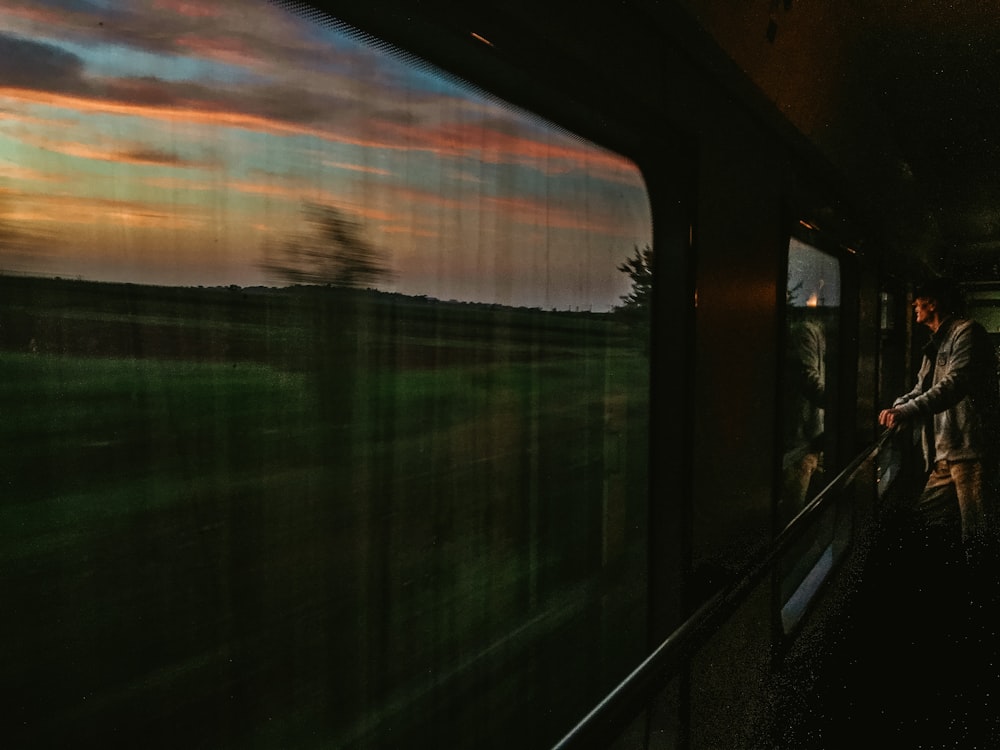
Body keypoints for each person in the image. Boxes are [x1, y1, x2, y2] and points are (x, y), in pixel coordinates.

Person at [878, 277, 999, 565]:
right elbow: (922, 388)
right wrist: (899, 405)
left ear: (932, 303)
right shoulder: (936, 344)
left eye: (918, 302)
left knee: (977, 531)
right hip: (946, 453)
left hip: (970, 451)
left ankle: (980, 592)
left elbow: (953, 385)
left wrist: (907, 412)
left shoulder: (967, 334)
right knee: (924, 518)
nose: (913, 307)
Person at [781, 308, 826, 519]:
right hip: (803, 434)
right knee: (795, 505)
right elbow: (808, 379)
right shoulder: (807, 331)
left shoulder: (811, 332)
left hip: (810, 432)